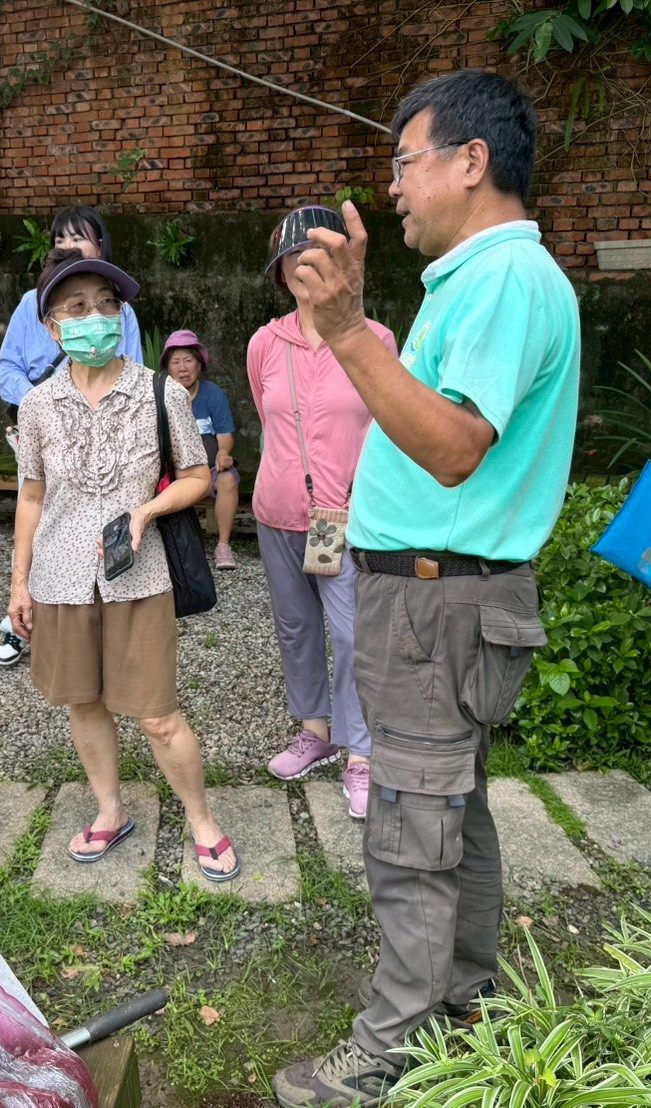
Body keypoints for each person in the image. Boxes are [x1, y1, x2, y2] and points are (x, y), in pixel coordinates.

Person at [271, 70, 580, 1106]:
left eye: (405, 162)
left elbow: (451, 448)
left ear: (470, 162)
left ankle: (389, 1046)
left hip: (433, 602)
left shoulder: (500, 280)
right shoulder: (486, 278)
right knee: (455, 812)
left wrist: (350, 330)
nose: (394, 187)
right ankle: (464, 1001)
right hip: (451, 596)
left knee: (409, 827)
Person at [9, 247, 239, 882]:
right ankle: (111, 810)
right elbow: (31, 495)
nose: (95, 318)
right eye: (77, 308)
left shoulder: (157, 391)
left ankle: (201, 820)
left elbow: (198, 476)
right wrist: (18, 584)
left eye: (107, 305)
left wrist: (145, 512)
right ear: (52, 326)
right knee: (83, 701)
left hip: (140, 576)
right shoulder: (36, 406)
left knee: (158, 713)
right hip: (60, 579)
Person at [248, 207, 398, 821]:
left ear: (340, 266)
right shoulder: (265, 342)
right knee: (296, 627)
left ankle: (360, 751)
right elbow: (268, 417)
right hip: (275, 511)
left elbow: (390, 428)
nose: (303, 271)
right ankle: (317, 731)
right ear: (282, 273)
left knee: (352, 632)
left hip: (343, 516)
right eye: (292, 262)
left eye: (316, 258)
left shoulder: (374, 339)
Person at [0, 206, 143, 667]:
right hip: (44, 437)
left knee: (110, 521)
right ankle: (26, 615)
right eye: (61, 239)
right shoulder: (28, 305)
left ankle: (113, 619)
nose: (70, 246)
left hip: (108, 435)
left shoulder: (122, 313)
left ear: (102, 249)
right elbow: (6, 369)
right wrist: (43, 401)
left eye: (82, 237)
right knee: (39, 523)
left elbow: (133, 374)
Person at [159, 329, 241, 569]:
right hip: (174, 473)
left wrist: (223, 453)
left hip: (209, 470)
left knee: (229, 479)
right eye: (176, 362)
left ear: (199, 364)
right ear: (168, 367)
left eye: (188, 360)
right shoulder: (161, 396)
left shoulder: (213, 394)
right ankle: (169, 549)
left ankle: (223, 546)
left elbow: (224, 434)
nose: (182, 367)